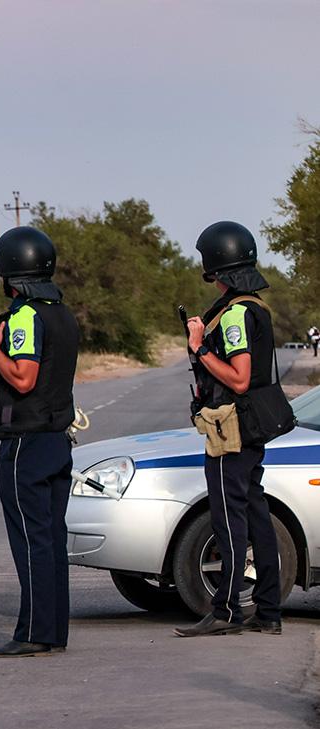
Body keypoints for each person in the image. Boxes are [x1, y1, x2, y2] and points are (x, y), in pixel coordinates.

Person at [175, 221, 282, 637]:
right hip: (251, 427)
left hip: (231, 430)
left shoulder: (235, 314)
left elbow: (238, 378)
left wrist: (200, 347)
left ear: (215, 266)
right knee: (256, 515)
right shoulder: (254, 305)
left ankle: (226, 612)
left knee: (228, 518)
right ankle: (268, 610)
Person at [0, 226, 80, 658]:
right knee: (52, 538)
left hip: (27, 442)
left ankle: (33, 634)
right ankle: (52, 630)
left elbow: (24, 378)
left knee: (30, 539)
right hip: (57, 438)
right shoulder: (63, 313)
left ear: (11, 272)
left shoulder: (24, 316)